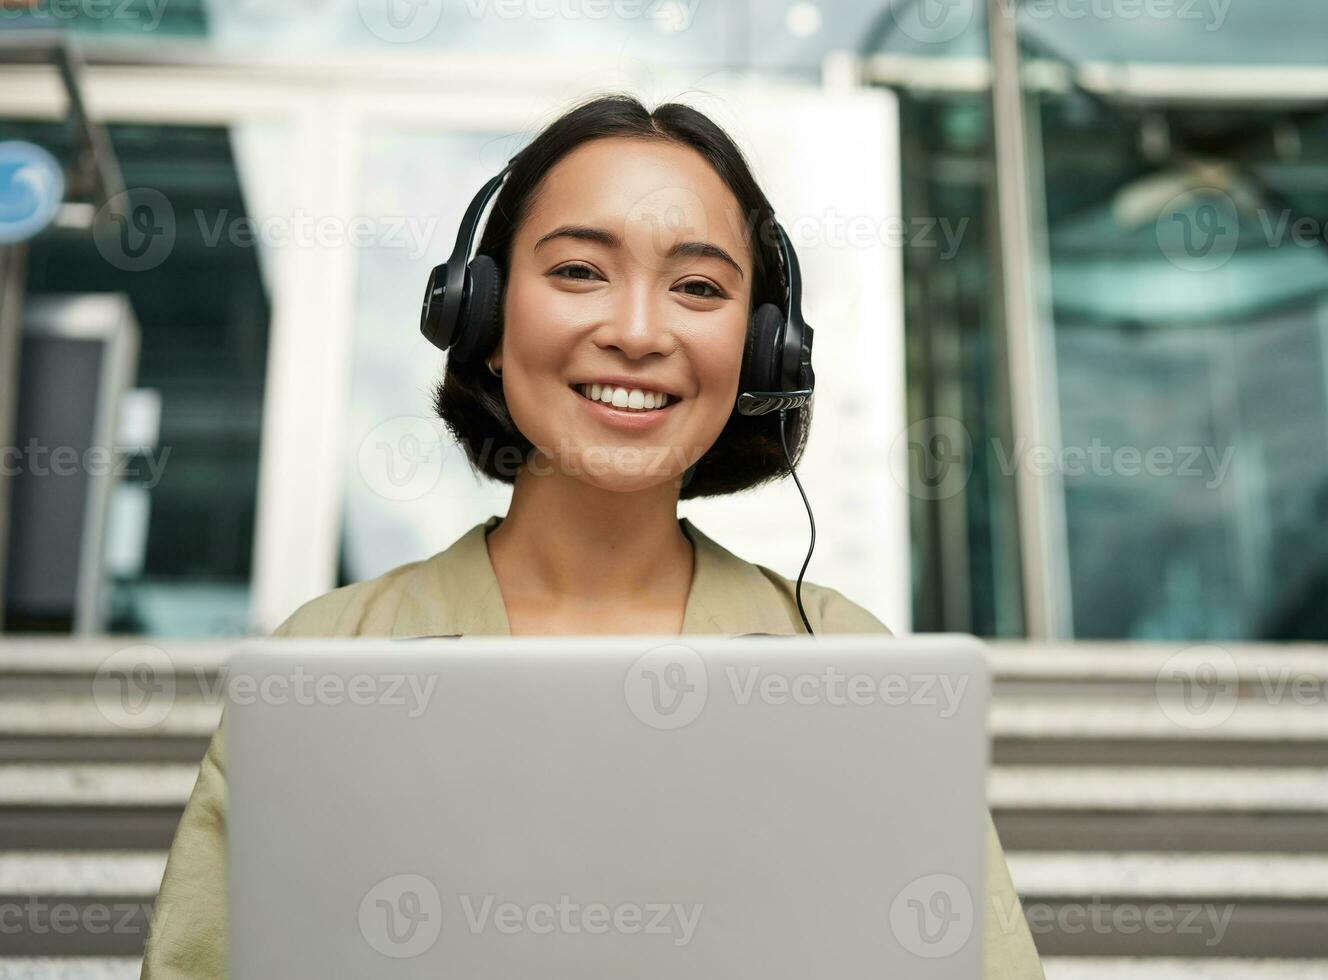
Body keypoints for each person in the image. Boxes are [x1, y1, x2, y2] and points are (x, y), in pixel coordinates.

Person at [140, 92, 1045, 978]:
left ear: (764, 352)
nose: (639, 332)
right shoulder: (327, 659)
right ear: (483, 318)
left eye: (697, 287)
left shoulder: (845, 664)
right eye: (579, 270)